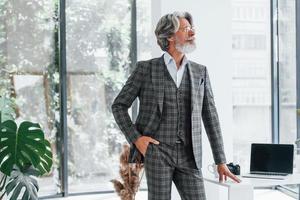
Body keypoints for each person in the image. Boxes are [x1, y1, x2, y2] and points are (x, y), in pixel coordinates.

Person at [112, 11, 240, 200]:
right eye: (186, 28)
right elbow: (119, 105)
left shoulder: (200, 72)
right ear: (170, 36)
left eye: (192, 28)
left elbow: (210, 117)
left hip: (190, 155)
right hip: (157, 153)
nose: (192, 32)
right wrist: (137, 139)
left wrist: (220, 160)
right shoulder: (146, 69)